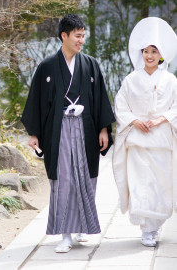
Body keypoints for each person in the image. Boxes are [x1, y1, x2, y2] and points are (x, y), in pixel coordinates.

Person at [21, 14, 115, 253]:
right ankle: (64, 234)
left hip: (85, 128)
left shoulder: (91, 64)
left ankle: (84, 226)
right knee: (63, 179)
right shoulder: (47, 67)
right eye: (77, 35)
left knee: (85, 177)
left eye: (83, 36)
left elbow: (100, 98)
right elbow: (37, 102)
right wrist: (34, 133)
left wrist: (103, 128)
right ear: (64, 35)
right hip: (58, 128)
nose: (81, 40)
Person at [112, 17, 177, 247]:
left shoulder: (171, 80)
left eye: (154, 51)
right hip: (138, 142)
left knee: (160, 186)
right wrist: (134, 121)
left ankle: (155, 224)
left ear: (161, 55)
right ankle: (145, 230)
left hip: (161, 141)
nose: (149, 56)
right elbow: (121, 106)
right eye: (145, 51)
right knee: (141, 186)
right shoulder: (131, 80)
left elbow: (176, 107)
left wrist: (162, 118)